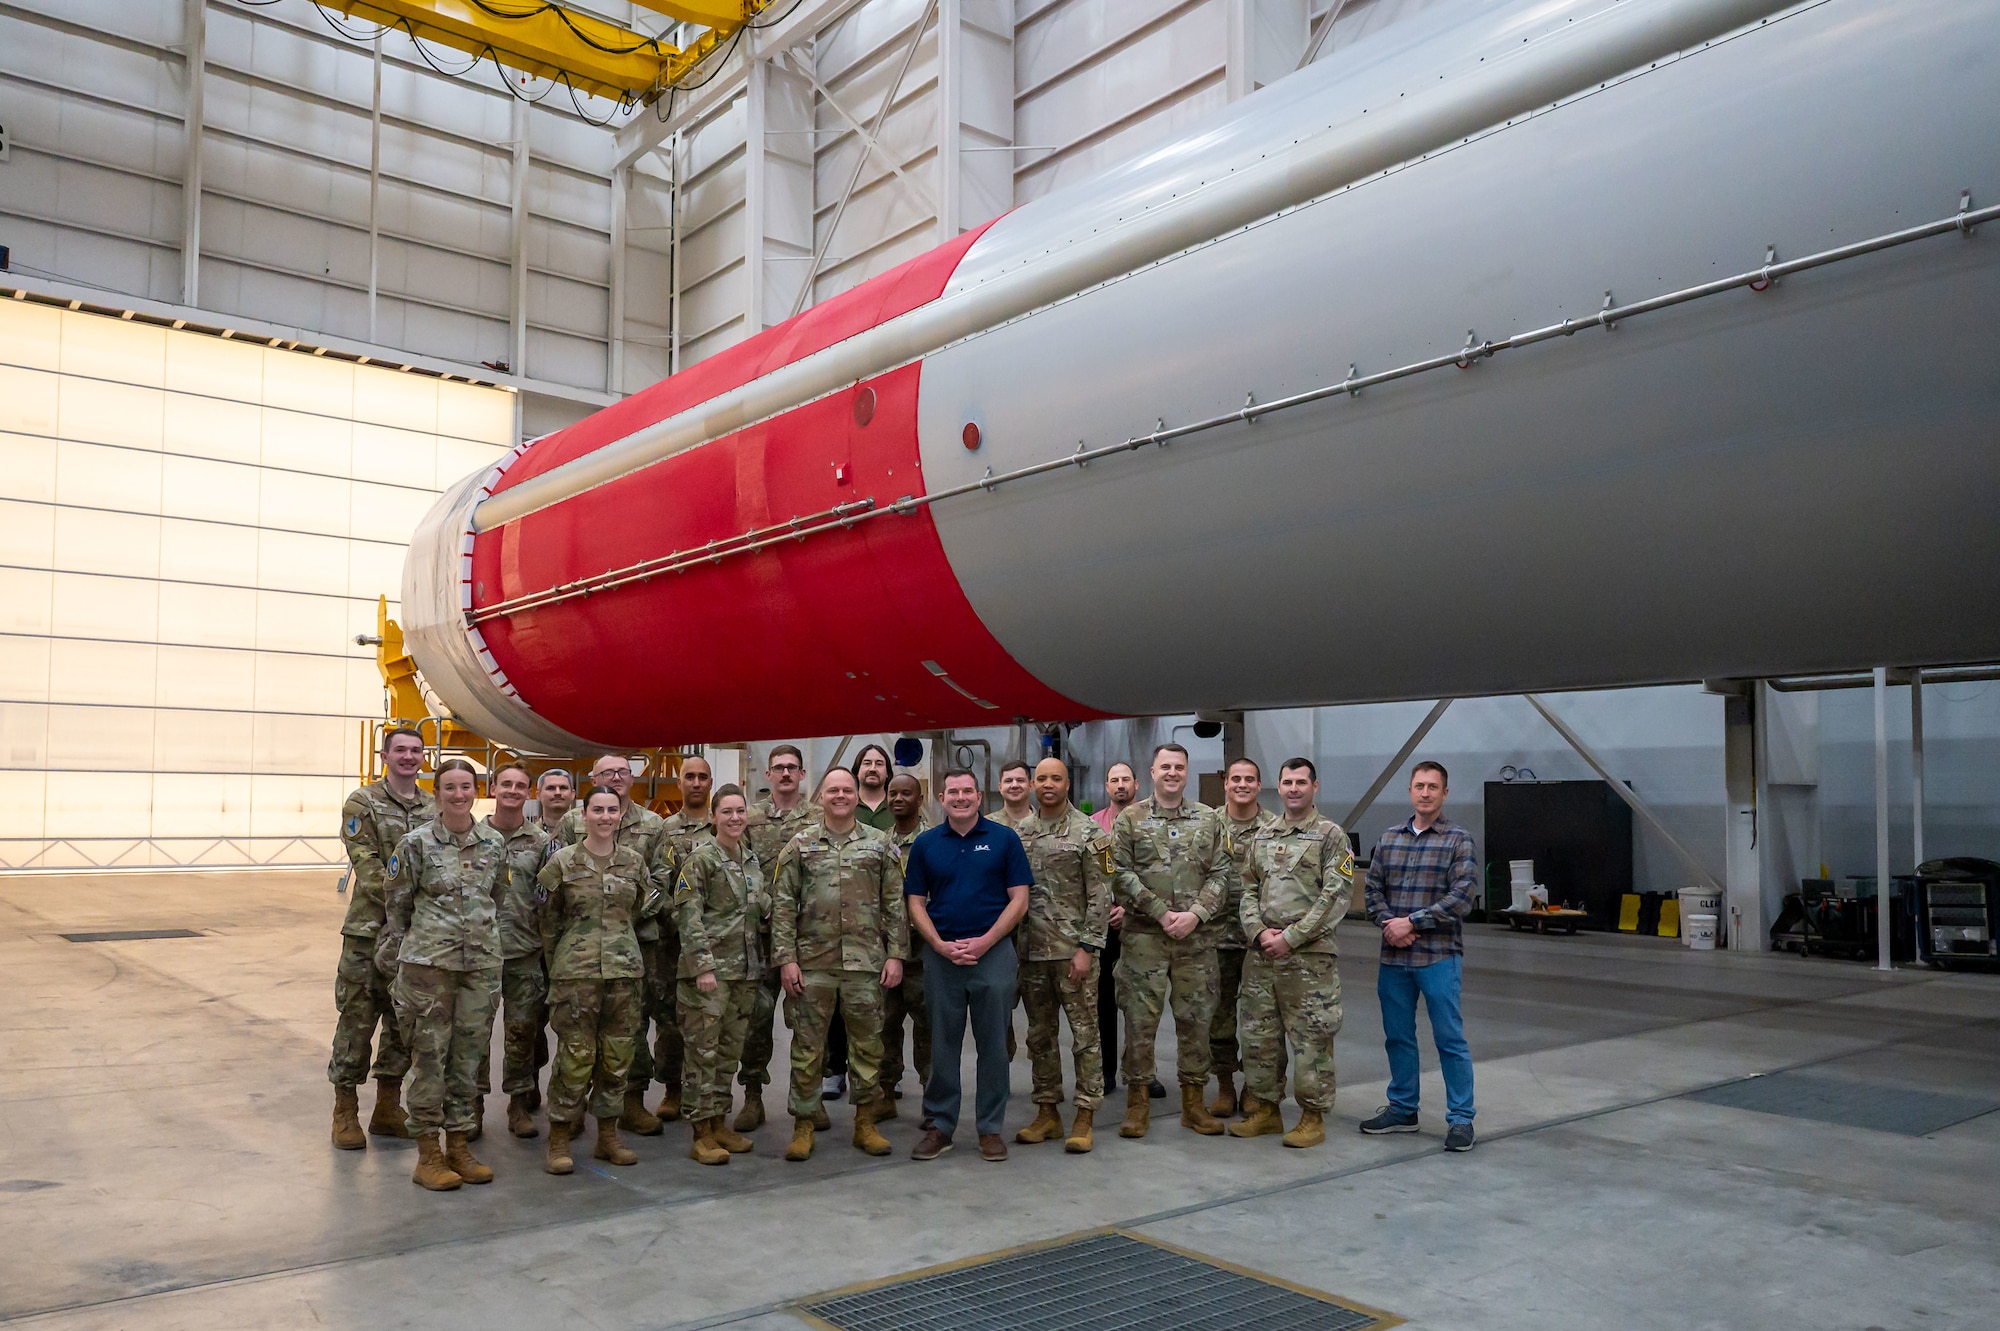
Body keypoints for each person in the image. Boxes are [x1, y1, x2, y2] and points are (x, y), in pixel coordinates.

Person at [376, 759, 506, 1190]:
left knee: (468, 1060)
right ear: (437, 793)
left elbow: (497, 897)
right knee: (430, 1058)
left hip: (480, 967)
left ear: (476, 790)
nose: (458, 794)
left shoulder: (492, 842)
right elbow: (397, 906)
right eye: (449, 787)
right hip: (428, 966)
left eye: (466, 786)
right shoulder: (414, 844)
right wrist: (415, 948)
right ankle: (428, 1153)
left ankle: (459, 1146)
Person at [769, 768, 907, 1161]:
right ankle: (804, 1125)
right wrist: (786, 960)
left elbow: (895, 904)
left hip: (865, 963)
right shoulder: (799, 845)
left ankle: (866, 1123)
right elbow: (782, 906)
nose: (841, 795)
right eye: (834, 790)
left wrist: (896, 954)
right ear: (821, 796)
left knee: (867, 1046)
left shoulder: (880, 844)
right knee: (808, 1050)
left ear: (856, 797)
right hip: (812, 964)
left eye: (848, 790)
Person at [904, 768, 1032, 1162]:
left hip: (992, 955)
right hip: (942, 958)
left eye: (968, 791)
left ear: (979, 796)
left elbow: (1019, 899)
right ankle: (941, 1125)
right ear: (941, 798)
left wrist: (986, 941)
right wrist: (940, 945)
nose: (960, 798)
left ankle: (990, 1128)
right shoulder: (926, 844)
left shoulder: (1004, 839)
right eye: (952, 792)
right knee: (942, 1043)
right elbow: (914, 903)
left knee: (994, 1044)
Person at [535, 785, 660, 1174]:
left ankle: (608, 1136)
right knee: (575, 1058)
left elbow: (639, 910)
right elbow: (547, 921)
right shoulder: (562, 863)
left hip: (623, 976)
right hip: (576, 977)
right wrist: (563, 965)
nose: (605, 817)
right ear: (583, 815)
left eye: (612, 810)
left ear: (620, 815)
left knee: (618, 1057)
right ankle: (559, 1137)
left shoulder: (635, 864)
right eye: (597, 810)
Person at [1229, 758, 1351, 1149]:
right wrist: (1258, 931)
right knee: (1258, 1036)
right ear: (1278, 788)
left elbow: (1335, 896)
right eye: (1287, 782)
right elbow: (1247, 888)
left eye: (1301, 782)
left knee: (1311, 1039)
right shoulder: (1263, 835)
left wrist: (1292, 937)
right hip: (1262, 955)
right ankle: (1265, 1110)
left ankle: (1312, 1116)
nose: (1294, 788)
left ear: (1315, 786)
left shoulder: (1331, 836)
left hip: (1309, 960)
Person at [1112, 742, 1230, 1138]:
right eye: (1165, 766)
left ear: (1187, 771)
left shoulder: (1210, 819)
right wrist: (1161, 912)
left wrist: (1195, 914)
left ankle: (1193, 1104)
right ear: (1153, 771)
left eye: (1179, 767)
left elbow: (1222, 873)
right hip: (1144, 938)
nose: (1172, 773)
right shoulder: (1129, 819)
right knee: (1139, 1022)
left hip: (1195, 939)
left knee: (1196, 1021)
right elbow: (1120, 873)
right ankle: (1138, 1102)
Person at [1362, 761, 1479, 1152]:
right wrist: (1389, 924)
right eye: (1419, 786)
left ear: (1445, 793)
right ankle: (1402, 1108)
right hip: (1394, 959)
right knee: (1398, 1036)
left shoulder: (1458, 841)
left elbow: (1462, 897)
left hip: (1438, 957)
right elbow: (1372, 890)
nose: (1425, 792)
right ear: (1409, 791)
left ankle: (1461, 1119)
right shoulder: (1390, 838)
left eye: (1433, 787)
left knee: (1449, 1038)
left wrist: (1410, 922)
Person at [557, 755, 676, 1139]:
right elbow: (552, 895)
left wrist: (627, 915)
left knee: (630, 1030)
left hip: (635, 945)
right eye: (607, 773)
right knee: (578, 1035)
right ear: (592, 781)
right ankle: (571, 1111)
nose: (617, 778)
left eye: (623, 772)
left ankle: (630, 1102)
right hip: (582, 949)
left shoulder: (653, 825)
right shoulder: (570, 824)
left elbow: (659, 879)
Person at [330, 725, 433, 1151]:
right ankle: (345, 1111)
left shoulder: (433, 805)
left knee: (401, 1021)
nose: (409, 757)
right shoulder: (363, 802)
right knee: (357, 1017)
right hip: (369, 931)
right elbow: (368, 864)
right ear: (385, 756)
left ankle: (388, 1107)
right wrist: (410, 900)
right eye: (401, 750)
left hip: (413, 934)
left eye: (416, 751)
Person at [1013, 757, 1113, 1153]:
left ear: (1068, 783)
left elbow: (1101, 895)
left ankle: (1085, 1114)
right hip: (1032, 954)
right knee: (1039, 1037)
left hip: (1074, 954)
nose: (1048, 784)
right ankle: (1047, 1111)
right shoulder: (1019, 832)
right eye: (1042, 779)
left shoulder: (1090, 833)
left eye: (1056, 778)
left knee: (1085, 1037)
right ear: (1033, 785)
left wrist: (1088, 947)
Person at [673, 784, 765, 1165]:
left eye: (740, 811)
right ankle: (699, 1132)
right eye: (726, 811)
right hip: (710, 975)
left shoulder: (751, 860)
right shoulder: (701, 859)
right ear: (713, 817)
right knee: (702, 1053)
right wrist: (702, 966)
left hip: (744, 971)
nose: (735, 818)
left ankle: (719, 1122)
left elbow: (760, 909)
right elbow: (688, 914)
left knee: (729, 1053)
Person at [736, 745, 815, 1131]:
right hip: (761, 937)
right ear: (767, 775)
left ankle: (808, 1099)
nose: (785, 773)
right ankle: (752, 1096)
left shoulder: (818, 818)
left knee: (809, 1022)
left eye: (792, 768)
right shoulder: (749, 819)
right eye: (778, 768)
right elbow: (738, 868)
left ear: (802, 774)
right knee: (756, 1019)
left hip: (810, 938)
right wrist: (764, 902)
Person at [481, 762, 552, 1140]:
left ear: (529, 794)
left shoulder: (540, 843)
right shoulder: (471, 836)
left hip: (525, 951)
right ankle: (471, 1106)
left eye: (520, 785)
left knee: (522, 1032)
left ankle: (519, 1103)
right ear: (493, 788)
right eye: (505, 783)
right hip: (479, 953)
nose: (512, 790)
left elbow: (549, 899)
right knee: (475, 1034)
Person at [650, 754, 718, 1123]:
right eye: (689, 776)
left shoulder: (724, 825)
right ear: (679, 783)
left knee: (710, 1022)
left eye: (702, 777)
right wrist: (682, 921)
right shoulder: (666, 830)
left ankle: (707, 1094)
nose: (695, 783)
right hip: (673, 945)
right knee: (671, 1022)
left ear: (710, 782)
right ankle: (672, 1088)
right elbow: (657, 888)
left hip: (718, 943)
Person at [1210, 757, 1274, 1118]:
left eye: (1249, 779)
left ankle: (1254, 1086)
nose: (1242, 785)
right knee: (1217, 1019)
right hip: (1216, 937)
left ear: (1259, 785)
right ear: (1225, 783)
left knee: (1258, 1021)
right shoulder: (1208, 824)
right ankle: (1224, 1084)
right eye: (1236, 778)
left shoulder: (1274, 828)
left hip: (1259, 941)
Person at [877, 773, 933, 1114]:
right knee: (885, 1024)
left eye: (906, 793)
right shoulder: (879, 842)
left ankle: (932, 1097)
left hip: (924, 952)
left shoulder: (934, 841)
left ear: (919, 798)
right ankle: (885, 1093)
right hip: (885, 952)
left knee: (928, 1026)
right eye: (893, 793)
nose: (899, 798)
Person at [1091, 761, 1140, 1093]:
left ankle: (1141, 1074)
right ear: (1106, 787)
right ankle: (1106, 1070)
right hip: (1105, 925)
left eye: (1125, 779)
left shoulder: (1151, 822)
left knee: (1141, 1005)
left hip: (1143, 924)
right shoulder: (1093, 825)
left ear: (1136, 784)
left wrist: (1131, 908)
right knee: (1103, 1002)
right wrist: (1110, 908)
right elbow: (1095, 876)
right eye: (1114, 780)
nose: (1120, 785)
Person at [853, 744, 896, 830]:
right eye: (867, 763)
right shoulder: (845, 805)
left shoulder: (897, 805)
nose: (873, 769)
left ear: (887, 773)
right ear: (857, 771)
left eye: (879, 764)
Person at [993, 760, 1034, 828]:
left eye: (1020, 780)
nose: (1014, 785)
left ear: (1030, 785)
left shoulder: (1045, 824)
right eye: (1008, 781)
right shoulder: (987, 825)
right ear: (1000, 787)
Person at [532, 769, 575, 833]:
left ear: (572, 794)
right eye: (551, 788)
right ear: (538, 795)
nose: (558, 793)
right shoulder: (528, 835)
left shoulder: (589, 832)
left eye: (563, 788)